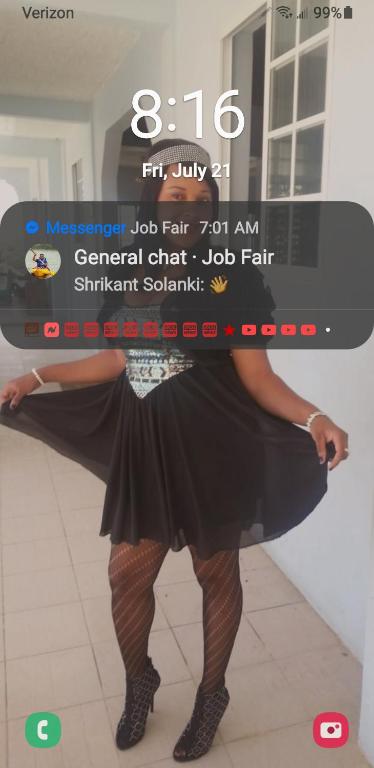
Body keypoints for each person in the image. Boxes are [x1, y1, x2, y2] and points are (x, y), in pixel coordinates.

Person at [0, 139, 349, 762]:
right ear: (153, 202)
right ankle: (142, 683)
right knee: (126, 574)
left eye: (202, 198)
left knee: (216, 572)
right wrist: (39, 375)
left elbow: (258, 378)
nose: (190, 208)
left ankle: (212, 695)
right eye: (176, 197)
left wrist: (316, 414)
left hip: (212, 444)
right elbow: (118, 359)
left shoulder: (233, 276)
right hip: (146, 445)